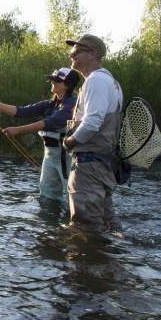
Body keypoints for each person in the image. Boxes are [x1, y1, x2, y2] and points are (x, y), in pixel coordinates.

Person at [0, 67, 80, 208]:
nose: (52, 81)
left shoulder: (71, 105)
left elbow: (49, 123)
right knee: (47, 195)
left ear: (68, 85)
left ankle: (78, 224)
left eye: (57, 80)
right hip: (50, 156)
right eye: (52, 79)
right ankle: (50, 225)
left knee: (73, 195)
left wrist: (18, 130)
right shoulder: (49, 104)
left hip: (66, 158)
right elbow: (21, 111)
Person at [62, 34, 123, 232]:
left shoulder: (95, 81)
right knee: (108, 224)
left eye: (77, 51)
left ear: (94, 54)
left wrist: (70, 141)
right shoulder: (111, 82)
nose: (72, 54)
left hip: (89, 164)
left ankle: (90, 262)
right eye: (72, 51)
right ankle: (114, 260)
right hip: (103, 164)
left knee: (85, 226)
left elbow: (93, 121)